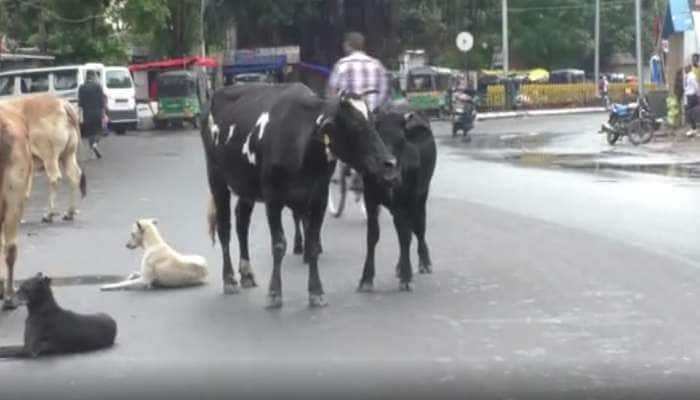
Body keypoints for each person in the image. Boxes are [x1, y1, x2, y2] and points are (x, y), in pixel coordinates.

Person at [327, 31, 388, 113]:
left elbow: (332, 91)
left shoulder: (342, 64)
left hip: (348, 116)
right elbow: (383, 91)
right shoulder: (377, 64)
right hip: (372, 116)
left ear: (347, 45)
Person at [78, 70, 105, 159]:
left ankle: (92, 153)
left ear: (86, 77)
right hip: (97, 113)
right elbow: (102, 102)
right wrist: (104, 114)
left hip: (87, 114)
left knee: (90, 133)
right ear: (93, 76)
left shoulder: (81, 87)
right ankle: (95, 144)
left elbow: (80, 103)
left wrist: (80, 115)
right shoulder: (98, 87)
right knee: (99, 131)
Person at [684, 64, 699, 137]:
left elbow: (696, 86)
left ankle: (694, 129)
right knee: (691, 113)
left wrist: (698, 95)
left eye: (686, 68)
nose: (684, 69)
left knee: (689, 112)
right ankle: (694, 129)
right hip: (689, 96)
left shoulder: (692, 76)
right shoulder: (688, 76)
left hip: (692, 97)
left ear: (689, 69)